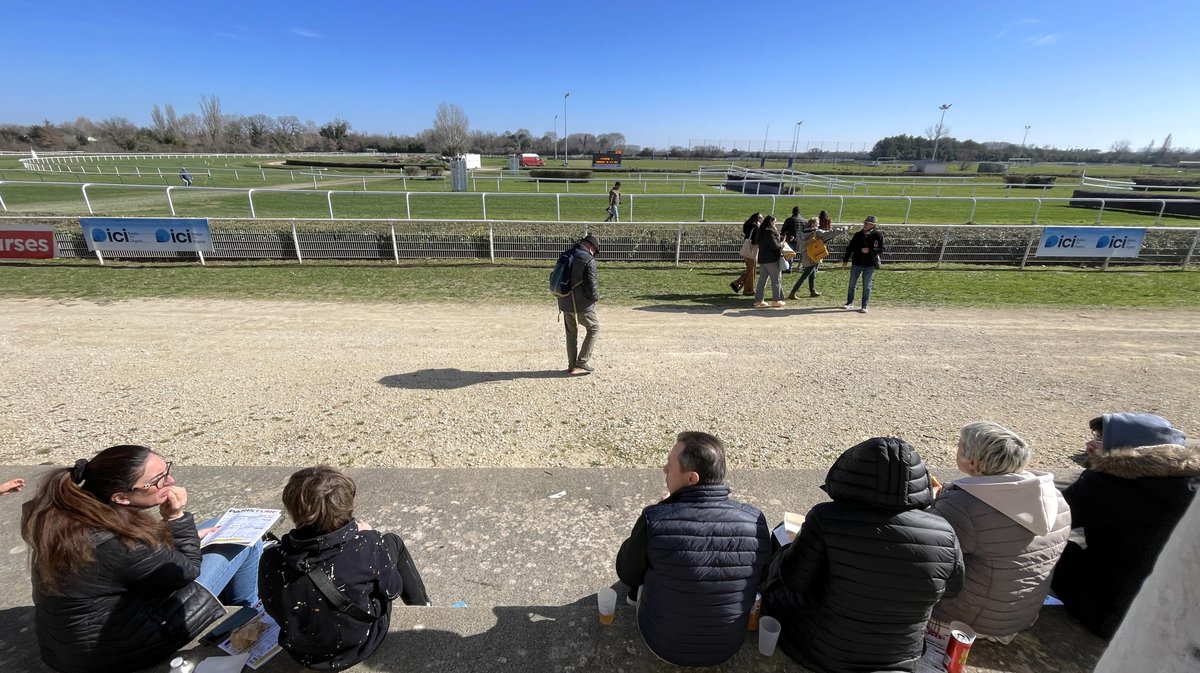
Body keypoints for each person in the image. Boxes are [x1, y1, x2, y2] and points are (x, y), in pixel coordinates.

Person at [20, 445, 263, 673]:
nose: (171, 481)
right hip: (125, 648)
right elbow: (186, 571)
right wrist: (176, 519)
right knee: (244, 539)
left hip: (67, 647)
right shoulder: (120, 544)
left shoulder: (64, 516)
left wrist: (177, 534)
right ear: (121, 498)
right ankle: (252, 611)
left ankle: (239, 604)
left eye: (166, 469)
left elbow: (125, 561)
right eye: (157, 480)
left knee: (217, 527)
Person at [761, 437, 964, 673]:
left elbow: (794, 580)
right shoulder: (943, 531)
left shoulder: (826, 518)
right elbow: (952, 589)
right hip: (901, 655)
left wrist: (791, 550)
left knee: (778, 544)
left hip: (822, 650)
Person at [616, 431, 770, 666]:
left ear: (691, 479)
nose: (664, 469)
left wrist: (663, 508)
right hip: (726, 647)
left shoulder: (654, 519)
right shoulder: (754, 519)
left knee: (645, 561)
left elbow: (627, 574)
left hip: (662, 644)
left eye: (670, 464)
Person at [259, 465, 430, 670]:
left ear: (292, 510)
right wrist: (369, 537)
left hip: (303, 651)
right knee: (393, 541)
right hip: (361, 643)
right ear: (347, 506)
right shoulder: (367, 546)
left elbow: (271, 606)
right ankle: (422, 607)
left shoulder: (271, 557)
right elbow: (392, 590)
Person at [1051, 413, 1199, 639]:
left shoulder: (1110, 484)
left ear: (1126, 449)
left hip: (1112, 613)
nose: (1090, 444)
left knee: (1048, 548)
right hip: (1172, 619)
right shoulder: (1190, 485)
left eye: (1099, 440)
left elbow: (1050, 519)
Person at [930, 422, 1071, 642]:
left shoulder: (963, 505)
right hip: (1021, 615)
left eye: (959, 445)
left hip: (966, 622)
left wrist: (933, 504)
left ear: (973, 462)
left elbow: (930, 552)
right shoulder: (1053, 497)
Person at [558, 234, 600, 376]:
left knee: (571, 334)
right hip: (581, 304)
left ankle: (571, 365)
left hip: (564, 301)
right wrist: (595, 299)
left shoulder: (565, 254)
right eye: (594, 250)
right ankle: (582, 360)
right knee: (593, 328)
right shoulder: (588, 259)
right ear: (590, 247)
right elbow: (591, 286)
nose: (594, 253)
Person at [788, 216, 845, 299]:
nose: (818, 225)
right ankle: (793, 292)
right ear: (813, 224)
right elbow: (830, 233)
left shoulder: (801, 233)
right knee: (805, 275)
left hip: (805, 256)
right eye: (817, 223)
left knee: (812, 274)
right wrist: (843, 229)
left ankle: (812, 291)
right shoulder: (817, 232)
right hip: (815, 255)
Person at [841, 214, 884, 313]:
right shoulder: (858, 235)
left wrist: (870, 250)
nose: (865, 224)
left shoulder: (878, 235)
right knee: (852, 284)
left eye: (868, 223)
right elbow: (850, 248)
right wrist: (845, 260)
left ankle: (864, 305)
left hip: (870, 264)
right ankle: (849, 303)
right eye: (865, 222)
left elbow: (881, 249)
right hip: (856, 263)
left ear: (873, 225)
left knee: (867, 286)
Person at [753, 215, 786, 308]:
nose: (775, 224)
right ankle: (776, 300)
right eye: (774, 222)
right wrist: (782, 244)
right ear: (771, 223)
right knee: (776, 280)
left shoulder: (761, 232)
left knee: (762, 281)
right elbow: (775, 246)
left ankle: (758, 300)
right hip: (772, 260)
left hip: (763, 260)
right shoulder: (769, 233)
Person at [730, 212, 762, 295]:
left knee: (750, 270)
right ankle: (747, 289)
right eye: (761, 218)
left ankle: (738, 284)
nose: (762, 220)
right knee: (751, 271)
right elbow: (756, 240)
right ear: (757, 219)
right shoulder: (755, 227)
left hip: (747, 249)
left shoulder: (748, 225)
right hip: (752, 250)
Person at [780, 207, 804, 274]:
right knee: (794, 254)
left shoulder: (789, 220)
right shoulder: (804, 221)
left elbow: (783, 230)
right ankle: (790, 267)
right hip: (799, 240)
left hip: (790, 239)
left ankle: (787, 268)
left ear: (793, 212)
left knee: (789, 254)